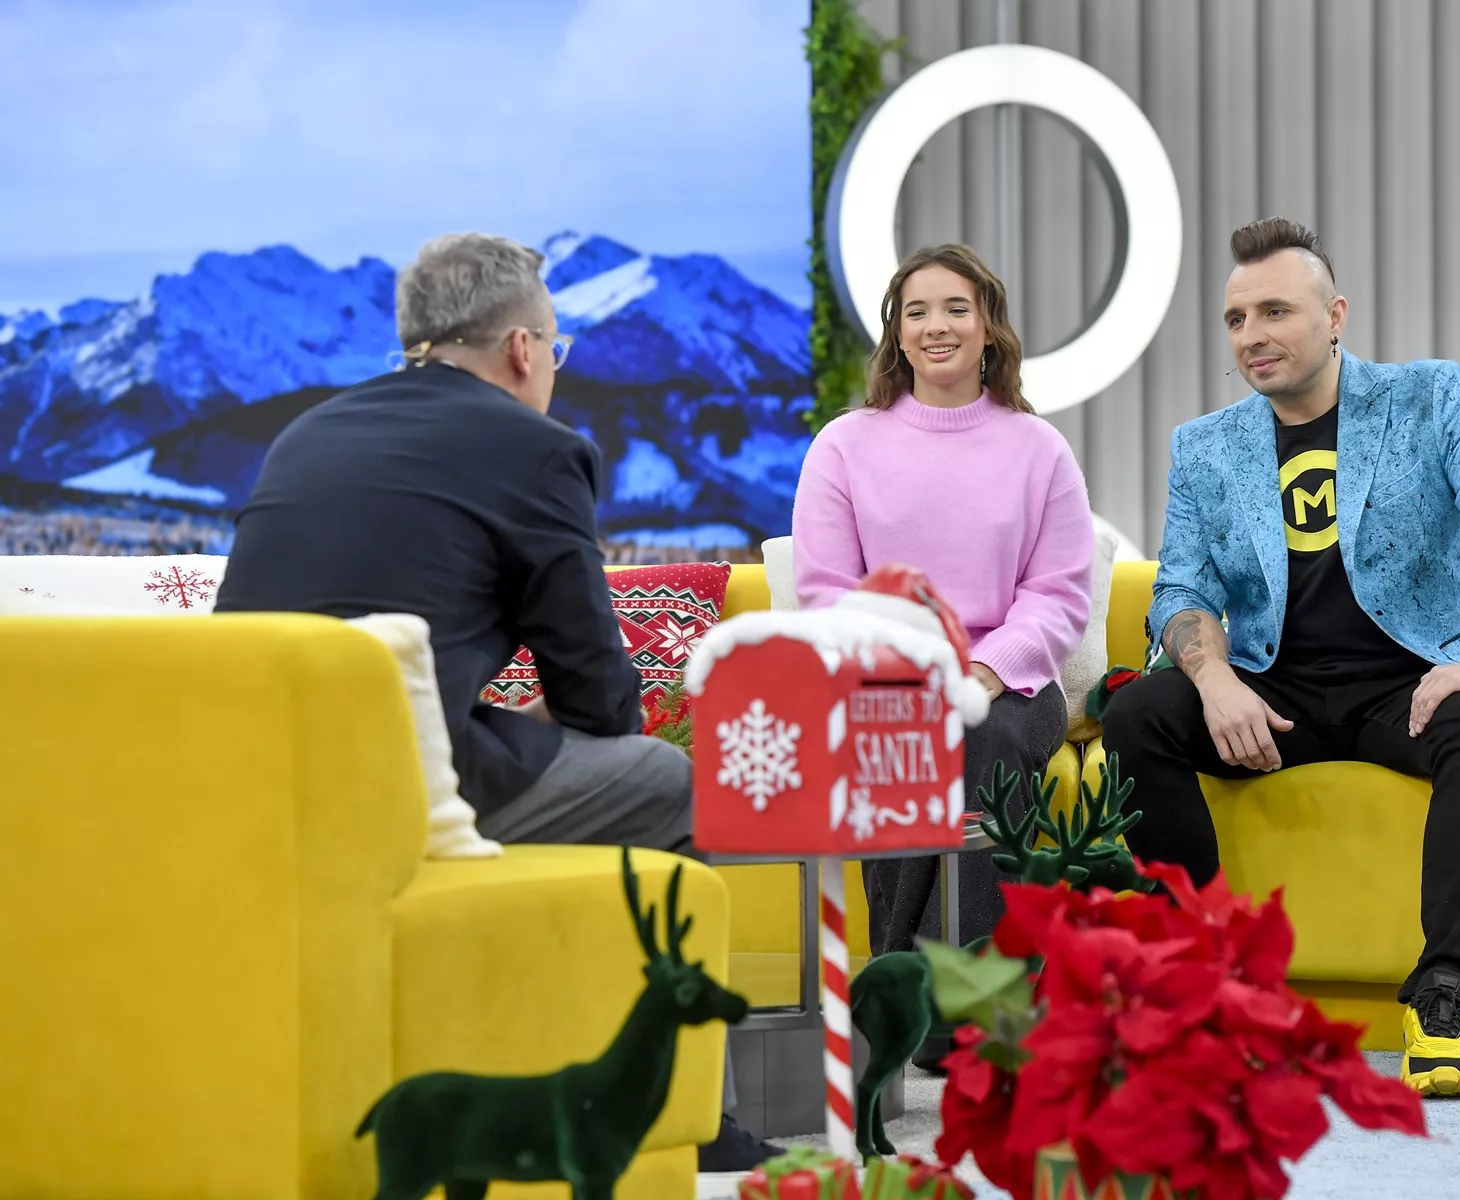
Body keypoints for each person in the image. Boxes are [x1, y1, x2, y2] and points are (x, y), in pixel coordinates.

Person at [213, 231, 779, 1169]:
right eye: (556, 348)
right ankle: (685, 1122)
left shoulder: (308, 431)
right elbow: (602, 701)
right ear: (522, 348)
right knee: (666, 782)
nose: (553, 365)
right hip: (399, 784)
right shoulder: (537, 450)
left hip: (252, 775)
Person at [1104, 218, 1460, 1100]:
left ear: (1336, 315)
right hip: (1277, 690)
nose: (1253, 335)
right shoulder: (1205, 446)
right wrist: (1215, 680)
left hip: (1410, 681)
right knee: (1136, 715)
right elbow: (1181, 587)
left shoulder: (1427, 398)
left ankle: (1444, 994)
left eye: (1275, 311)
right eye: (1237, 319)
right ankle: (1207, 983)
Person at [790, 244, 1093, 1067]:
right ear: (896, 333)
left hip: (1008, 679)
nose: (936, 326)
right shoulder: (844, 445)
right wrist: (912, 676)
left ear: (989, 326)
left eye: (956, 308)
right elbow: (826, 591)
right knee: (898, 738)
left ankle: (969, 1005)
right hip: (884, 676)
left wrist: (984, 672)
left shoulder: (1038, 449)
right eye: (916, 311)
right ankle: (914, 995)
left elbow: (1059, 592)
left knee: (984, 736)